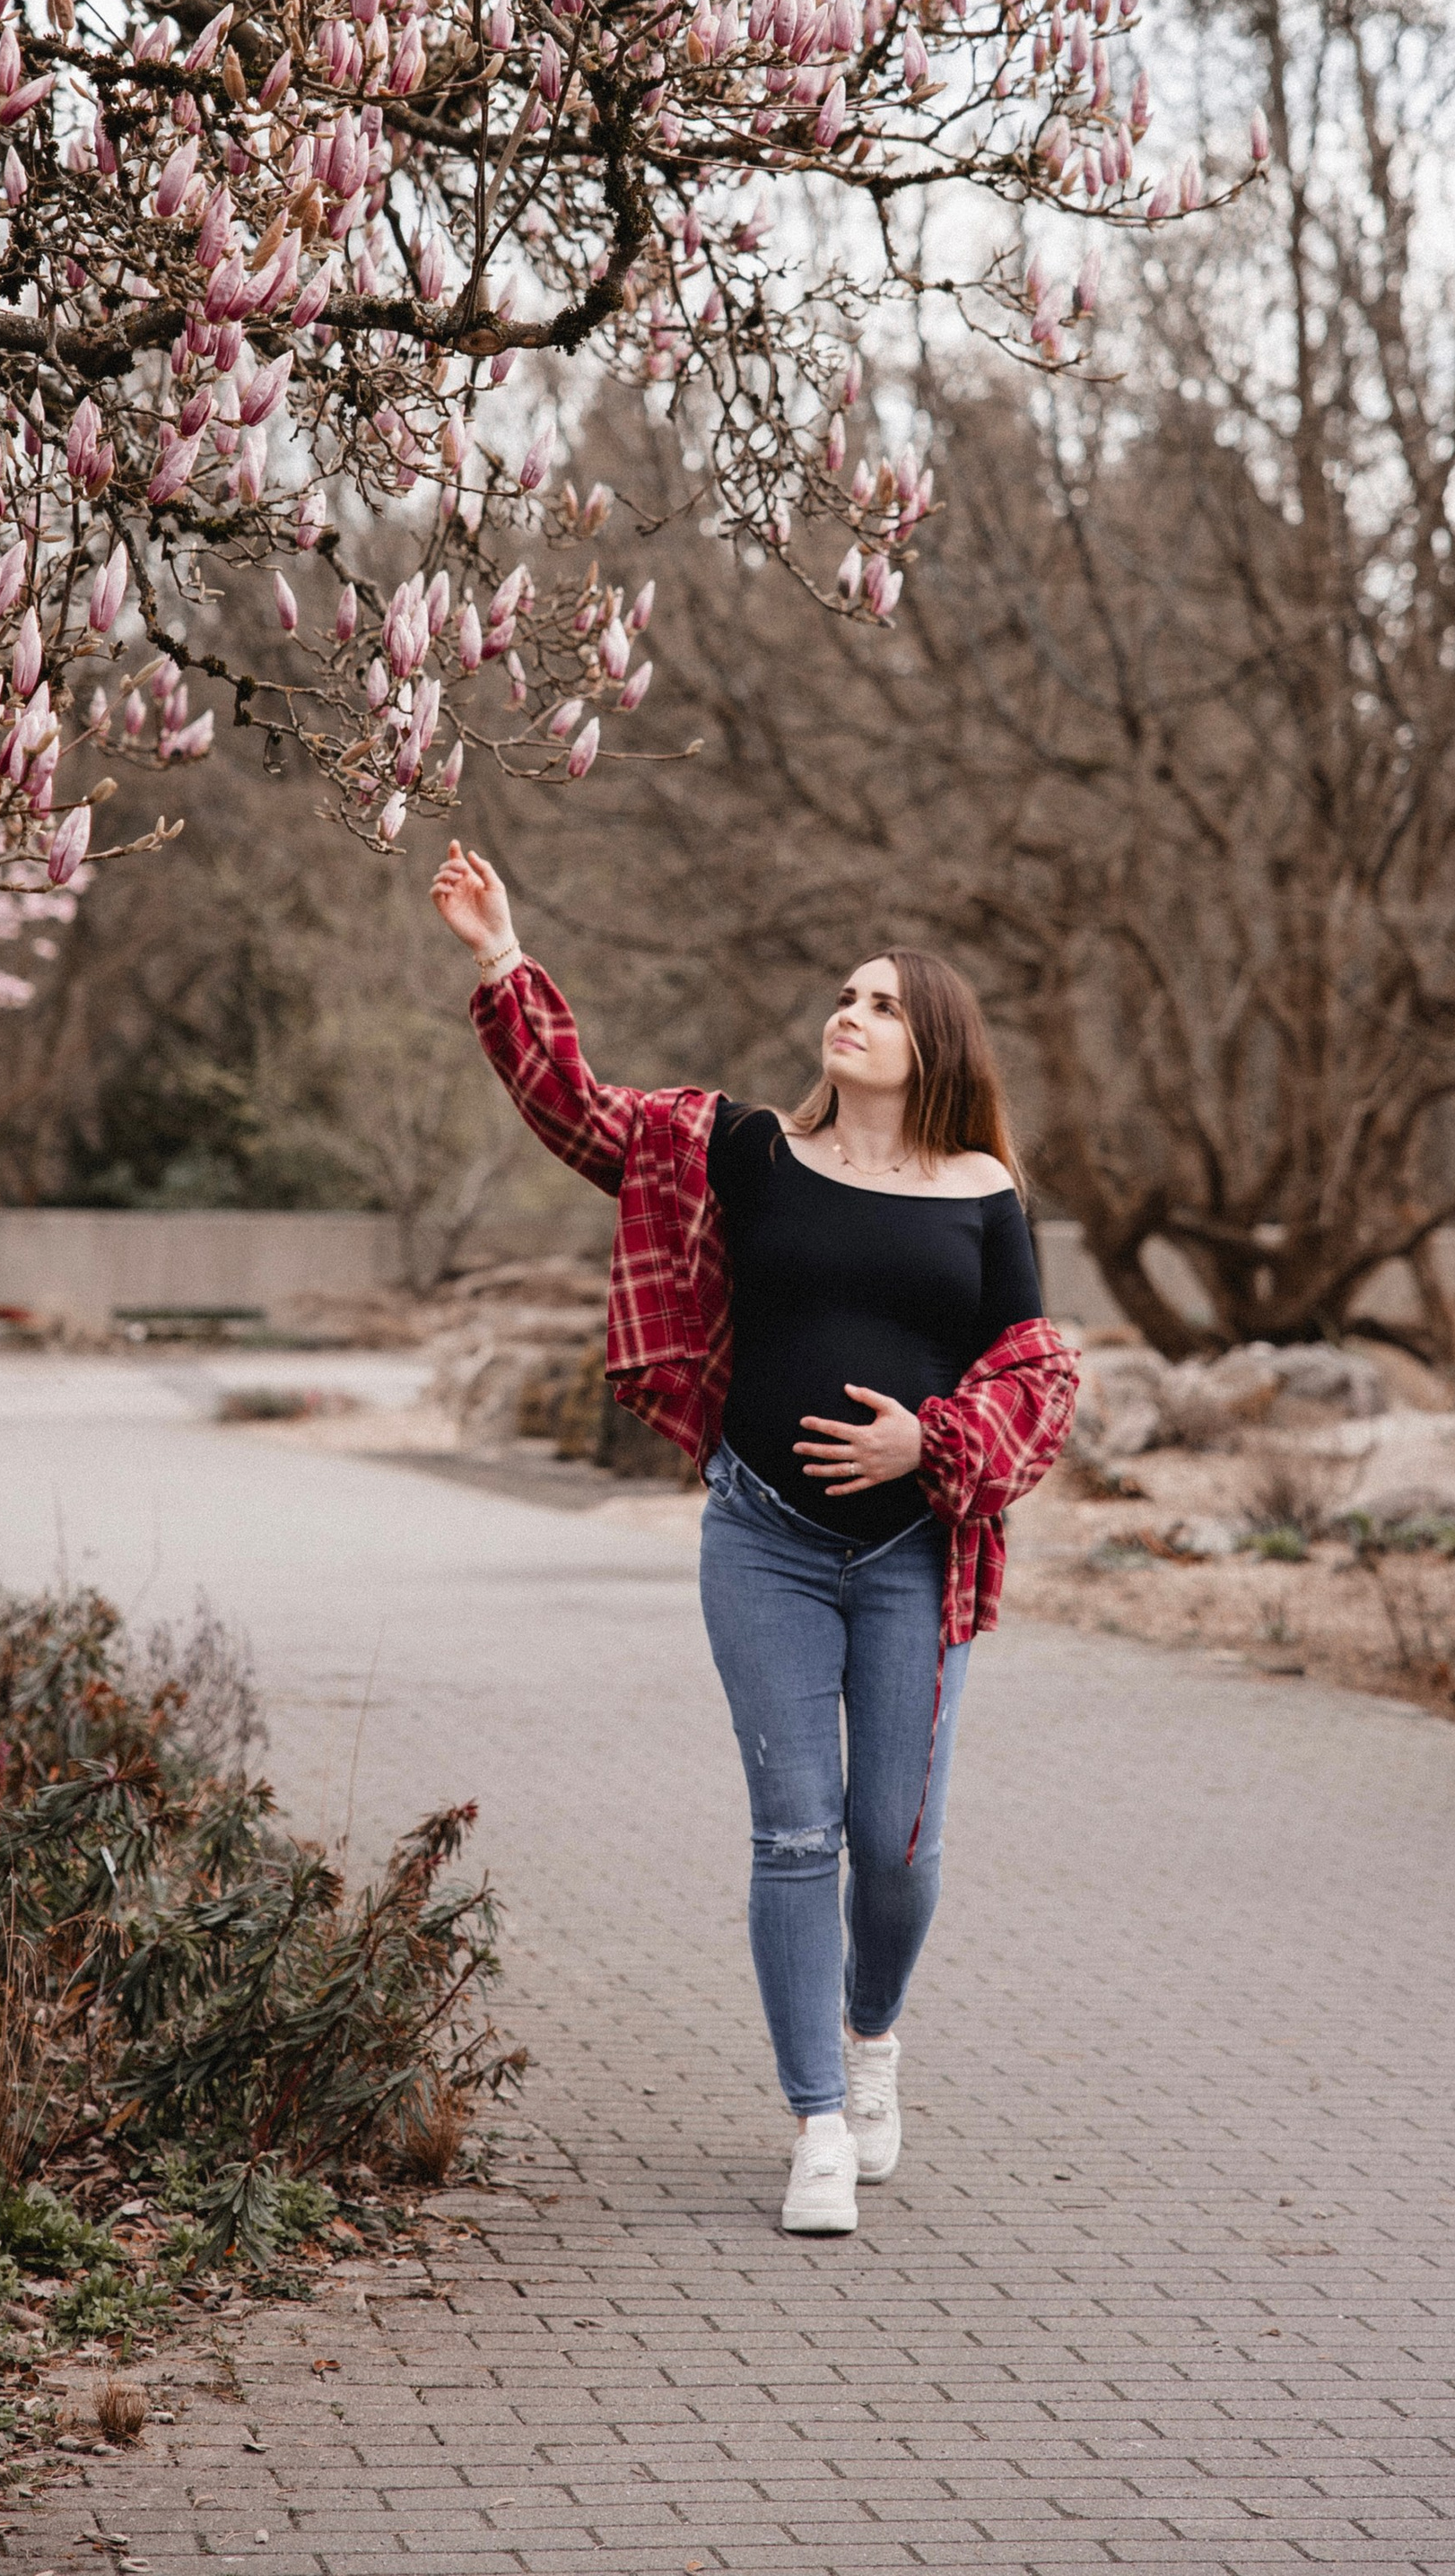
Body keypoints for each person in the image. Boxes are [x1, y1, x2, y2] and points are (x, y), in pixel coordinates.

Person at [431, 841, 1079, 2238]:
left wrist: (935, 1442)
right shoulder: (741, 1149)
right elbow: (587, 1118)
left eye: (885, 1004)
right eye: (844, 994)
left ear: (936, 1046)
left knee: (894, 1851)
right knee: (794, 1836)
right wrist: (501, 953)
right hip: (765, 1540)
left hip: (914, 1554)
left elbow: (1037, 1371)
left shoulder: (980, 1192)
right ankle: (817, 2126)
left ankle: (873, 2035)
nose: (850, 1012)